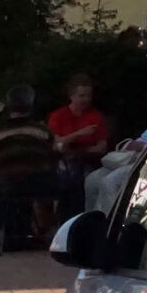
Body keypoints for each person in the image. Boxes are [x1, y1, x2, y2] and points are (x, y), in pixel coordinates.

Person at [0, 85, 59, 251]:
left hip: (9, 186)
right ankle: (52, 230)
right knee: (69, 187)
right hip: (41, 185)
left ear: (9, 106)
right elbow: (54, 156)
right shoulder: (42, 131)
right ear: (31, 105)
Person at [47, 74, 110, 214]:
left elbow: (102, 146)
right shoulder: (58, 116)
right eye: (82, 96)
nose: (86, 99)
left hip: (88, 160)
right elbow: (55, 144)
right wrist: (79, 134)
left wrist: (79, 150)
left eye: (88, 96)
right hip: (63, 162)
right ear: (71, 96)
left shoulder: (95, 116)